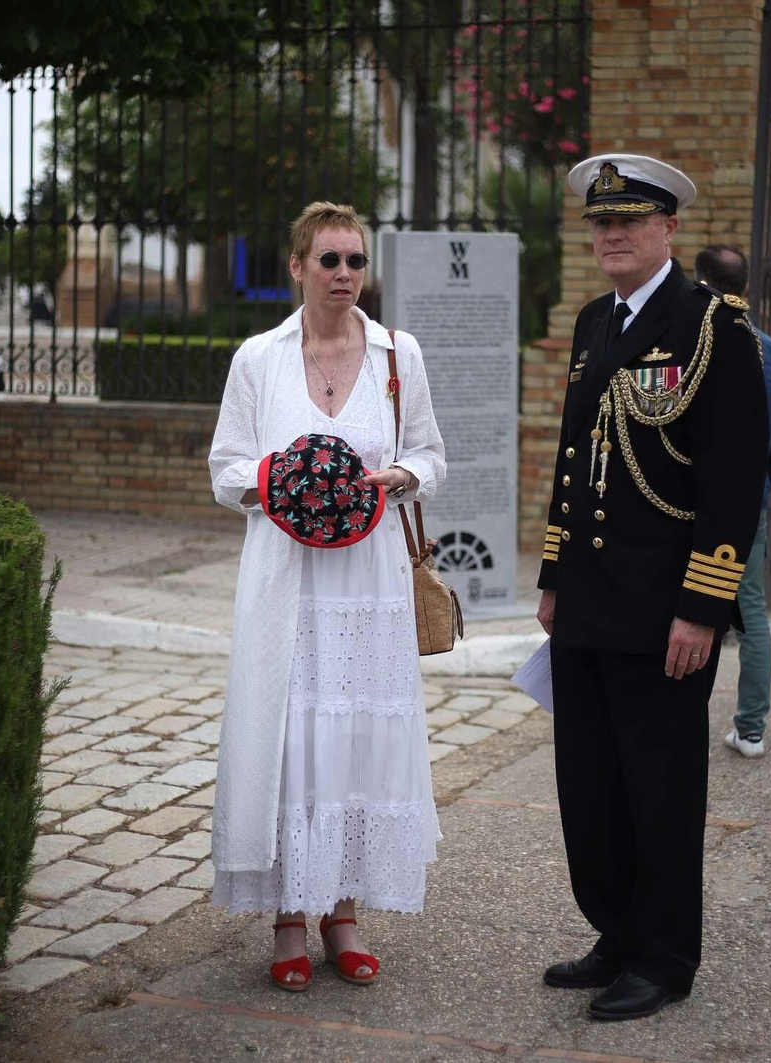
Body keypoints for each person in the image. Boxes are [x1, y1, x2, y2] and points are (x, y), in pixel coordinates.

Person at [536, 155, 767, 1020]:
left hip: (666, 609)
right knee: (591, 785)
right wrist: (555, 576)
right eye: (601, 223)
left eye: (630, 221)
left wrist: (703, 609)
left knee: (660, 789)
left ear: (669, 229)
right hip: (590, 604)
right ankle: (618, 930)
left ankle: (663, 957)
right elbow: (571, 464)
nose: (613, 235)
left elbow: (733, 486)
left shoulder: (713, 328)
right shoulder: (595, 321)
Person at [206, 202, 447, 990]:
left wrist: (402, 476)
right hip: (287, 583)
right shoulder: (259, 358)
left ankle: (343, 912)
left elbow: (431, 455)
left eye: (355, 261)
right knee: (290, 741)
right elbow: (226, 467)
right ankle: (286, 917)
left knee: (353, 745)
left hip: (370, 584)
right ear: (298, 266)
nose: (345, 275)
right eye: (330, 260)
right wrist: (280, 484)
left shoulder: (395, 353)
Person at [692, 244, 771, 759]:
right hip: (748, 505)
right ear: (748, 290)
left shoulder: (691, 343)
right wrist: (756, 484)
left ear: (697, 282)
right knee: (750, 613)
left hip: (686, 508)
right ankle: (751, 727)